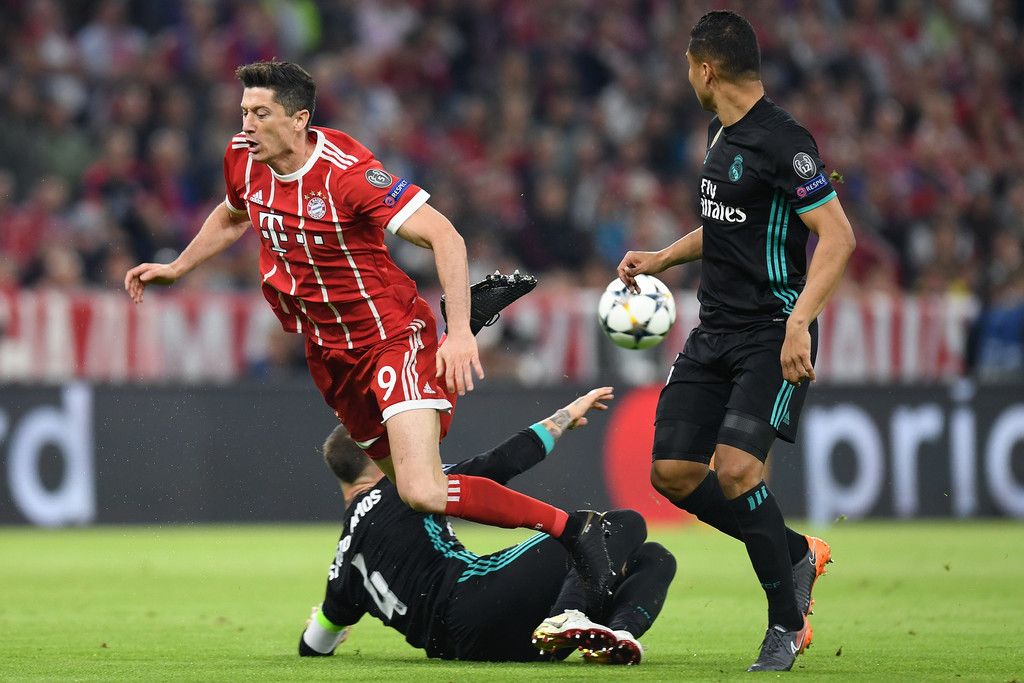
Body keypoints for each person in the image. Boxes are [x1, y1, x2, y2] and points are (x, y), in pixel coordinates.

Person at [124, 61, 613, 599]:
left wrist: (458, 335)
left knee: (422, 489)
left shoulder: (347, 174)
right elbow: (232, 213)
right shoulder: (243, 157)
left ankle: (574, 530)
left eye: (261, 114)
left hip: (390, 337)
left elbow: (446, 236)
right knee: (410, 486)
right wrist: (178, 267)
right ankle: (463, 328)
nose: (247, 125)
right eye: (244, 112)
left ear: (298, 119)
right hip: (328, 354)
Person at [616, 11, 855, 673]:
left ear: (707, 68)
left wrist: (800, 323)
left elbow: (838, 237)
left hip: (772, 331)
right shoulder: (719, 132)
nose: (686, 77)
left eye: (688, 66)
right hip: (713, 329)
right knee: (672, 472)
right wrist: (663, 257)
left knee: (738, 469)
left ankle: (786, 624)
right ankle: (796, 552)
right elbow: (727, 225)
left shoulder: (786, 141)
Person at [299, 387, 676, 665]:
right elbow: (498, 464)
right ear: (375, 450)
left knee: (651, 557)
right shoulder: (404, 485)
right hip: (476, 599)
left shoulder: (343, 562)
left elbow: (313, 646)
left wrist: (327, 625)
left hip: (475, 648)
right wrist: (564, 416)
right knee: (619, 524)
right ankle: (568, 615)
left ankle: (616, 638)